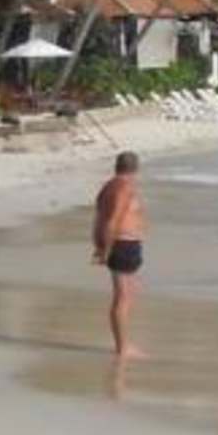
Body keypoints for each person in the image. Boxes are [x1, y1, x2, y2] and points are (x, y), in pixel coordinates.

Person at [91, 150, 148, 360]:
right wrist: (105, 250)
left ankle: (123, 344)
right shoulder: (125, 188)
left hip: (121, 244)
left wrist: (99, 244)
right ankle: (123, 348)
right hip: (123, 244)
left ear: (117, 166)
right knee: (122, 298)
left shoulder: (108, 187)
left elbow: (99, 219)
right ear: (136, 169)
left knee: (129, 293)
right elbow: (112, 220)